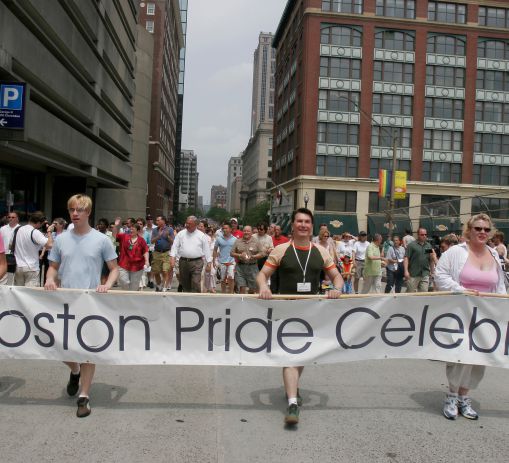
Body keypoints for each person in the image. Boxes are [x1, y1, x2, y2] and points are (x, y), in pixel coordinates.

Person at [257, 208, 343, 426]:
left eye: (307, 222)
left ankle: (292, 388)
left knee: (301, 356)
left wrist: (336, 289)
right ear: (293, 225)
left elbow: (337, 277)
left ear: (311, 226)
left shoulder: (321, 252)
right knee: (290, 357)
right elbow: (262, 275)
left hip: (310, 313)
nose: (303, 225)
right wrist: (263, 287)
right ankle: (293, 403)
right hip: (285, 312)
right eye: (299, 221)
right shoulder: (281, 250)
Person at [44, 194, 119, 418]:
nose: (75, 213)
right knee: (59, 346)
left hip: (90, 302)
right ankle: (75, 370)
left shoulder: (102, 240)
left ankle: (84, 396)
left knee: (88, 350)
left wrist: (107, 285)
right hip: (65, 302)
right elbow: (53, 266)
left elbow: (114, 269)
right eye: (72, 210)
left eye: (80, 210)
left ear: (88, 212)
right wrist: (49, 278)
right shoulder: (61, 240)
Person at [435, 213, 506, 420]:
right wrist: (460, 290)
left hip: (486, 316)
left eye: (486, 229)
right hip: (461, 313)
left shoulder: (494, 254)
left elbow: (499, 285)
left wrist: (502, 306)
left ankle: (464, 397)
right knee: (460, 355)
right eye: (478, 228)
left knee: (479, 357)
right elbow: (440, 275)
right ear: (469, 230)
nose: (482, 232)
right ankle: (452, 395)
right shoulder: (456, 252)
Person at [170, 216, 212, 293]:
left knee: (196, 282)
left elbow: (207, 250)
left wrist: (209, 262)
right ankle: (187, 298)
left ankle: (195, 298)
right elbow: (175, 246)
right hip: (183, 262)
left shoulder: (201, 235)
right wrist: (172, 257)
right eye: (186, 223)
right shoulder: (181, 234)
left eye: (189, 224)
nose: (187, 225)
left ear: (195, 225)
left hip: (197, 262)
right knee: (185, 284)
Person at [13, 211, 54, 287]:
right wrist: (49, 232)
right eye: (41, 224)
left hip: (19, 266)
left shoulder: (18, 229)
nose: (41, 226)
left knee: (18, 292)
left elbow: (10, 245)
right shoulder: (35, 232)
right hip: (31, 268)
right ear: (38, 222)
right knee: (31, 293)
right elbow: (50, 245)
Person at [113, 220, 149, 291]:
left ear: (138, 231)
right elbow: (114, 235)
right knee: (124, 282)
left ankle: (131, 296)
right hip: (124, 264)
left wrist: (147, 261)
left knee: (134, 287)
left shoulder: (141, 240)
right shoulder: (124, 236)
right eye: (130, 229)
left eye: (133, 229)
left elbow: (145, 251)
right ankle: (126, 294)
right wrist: (115, 225)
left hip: (137, 266)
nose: (131, 231)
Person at [230, 225, 264, 294]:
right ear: (243, 232)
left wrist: (254, 256)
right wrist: (239, 255)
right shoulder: (238, 241)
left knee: (252, 289)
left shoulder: (256, 241)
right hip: (240, 267)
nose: (246, 232)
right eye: (245, 231)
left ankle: (250, 299)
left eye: (248, 231)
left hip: (252, 268)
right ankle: (242, 300)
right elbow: (231, 253)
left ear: (251, 232)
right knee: (241, 287)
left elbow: (262, 253)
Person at [404, 227, 435, 292]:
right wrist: (406, 271)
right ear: (418, 235)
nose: (424, 236)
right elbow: (406, 258)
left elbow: (430, 259)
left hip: (425, 274)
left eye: (425, 234)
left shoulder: (428, 246)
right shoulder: (412, 245)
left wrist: (432, 272)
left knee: (424, 294)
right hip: (413, 274)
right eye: (422, 235)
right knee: (410, 293)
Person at [151, 215, 174, 292]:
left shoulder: (170, 229)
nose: (156, 222)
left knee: (165, 270)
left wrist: (167, 237)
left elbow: (173, 242)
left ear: (163, 221)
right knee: (156, 271)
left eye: (158, 220)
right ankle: (159, 285)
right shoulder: (155, 230)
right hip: (157, 252)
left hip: (166, 253)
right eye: (156, 220)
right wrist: (159, 236)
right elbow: (152, 241)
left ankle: (164, 287)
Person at [213, 222, 237, 293]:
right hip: (221, 262)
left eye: (226, 228)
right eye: (223, 228)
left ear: (230, 229)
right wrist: (214, 260)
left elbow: (237, 250)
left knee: (231, 278)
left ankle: (231, 293)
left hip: (231, 262)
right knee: (222, 279)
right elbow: (215, 250)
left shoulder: (235, 239)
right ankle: (223, 293)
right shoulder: (219, 239)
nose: (224, 230)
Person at [1, 211, 20, 285]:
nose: (11, 218)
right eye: (9, 217)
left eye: (13, 217)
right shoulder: (2, 229)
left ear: (17, 218)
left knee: (13, 278)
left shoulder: (20, 229)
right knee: (3, 277)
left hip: (16, 255)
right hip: (4, 255)